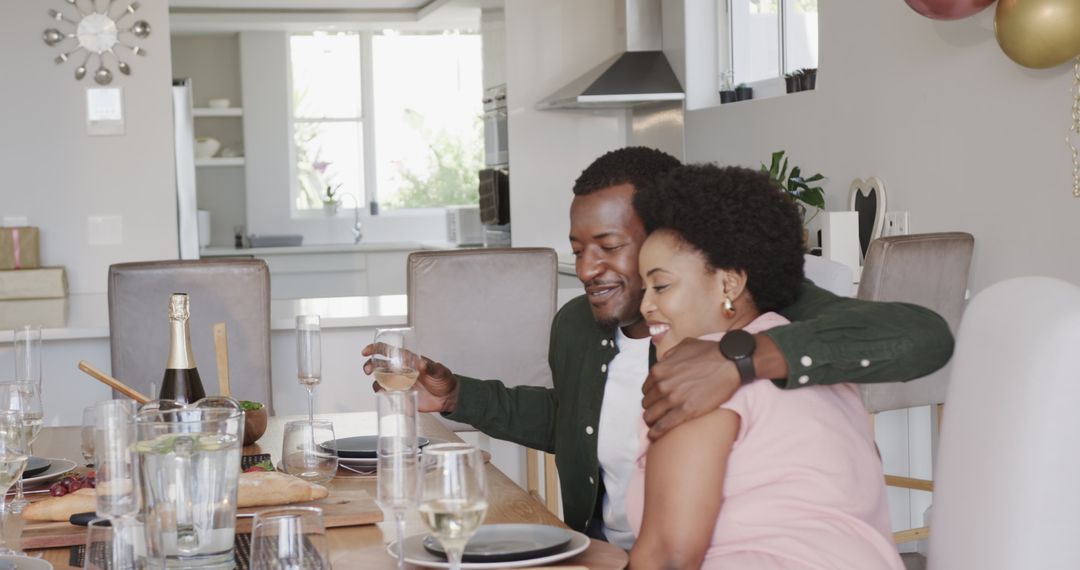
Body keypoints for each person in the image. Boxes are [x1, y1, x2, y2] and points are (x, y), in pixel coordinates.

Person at [363, 147, 953, 547]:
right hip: (608, 551)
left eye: (609, 246)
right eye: (577, 247)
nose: (587, 268)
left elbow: (923, 337)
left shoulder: (756, 305)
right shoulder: (576, 325)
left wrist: (737, 357)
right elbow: (578, 422)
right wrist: (459, 395)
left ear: (670, 239)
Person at [626, 164, 903, 569]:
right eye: (644, 287)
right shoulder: (817, 366)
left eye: (661, 285)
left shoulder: (698, 377)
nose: (646, 305)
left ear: (729, 284)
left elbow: (669, 557)